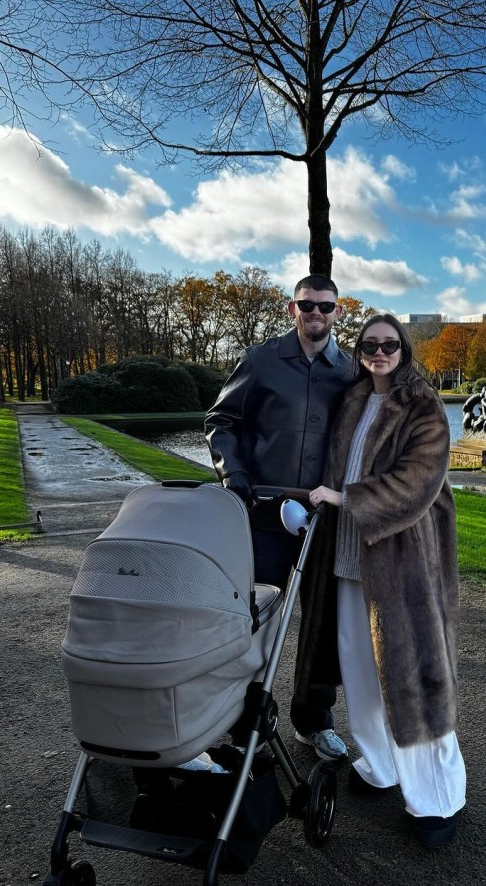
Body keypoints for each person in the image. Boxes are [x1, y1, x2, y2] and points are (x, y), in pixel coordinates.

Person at [302, 313, 466, 848]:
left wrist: (347, 499)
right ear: (359, 349)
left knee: (415, 678)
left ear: (404, 349)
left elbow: (418, 482)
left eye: (389, 344)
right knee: (362, 674)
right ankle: (378, 766)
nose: (379, 352)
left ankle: (438, 800)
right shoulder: (353, 399)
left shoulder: (423, 405)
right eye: (370, 344)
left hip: (405, 564)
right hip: (350, 561)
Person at [205, 274, 353, 761]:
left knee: (320, 623)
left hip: (322, 520)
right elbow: (221, 421)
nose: (316, 314)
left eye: (325, 307)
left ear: (337, 311)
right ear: (293, 309)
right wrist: (234, 472)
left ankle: (312, 722)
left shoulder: (347, 372)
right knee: (252, 615)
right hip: (265, 513)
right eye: (306, 305)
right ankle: (239, 718)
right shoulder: (261, 359)